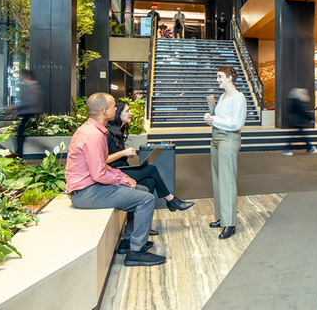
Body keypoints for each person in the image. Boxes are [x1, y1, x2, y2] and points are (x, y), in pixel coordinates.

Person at [66, 92, 165, 266]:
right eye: (113, 107)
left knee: (142, 190)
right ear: (105, 111)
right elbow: (98, 174)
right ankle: (136, 252)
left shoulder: (91, 130)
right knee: (146, 199)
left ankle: (127, 242)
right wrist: (125, 181)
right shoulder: (94, 136)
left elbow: (102, 167)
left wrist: (122, 176)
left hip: (89, 188)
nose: (115, 109)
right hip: (85, 193)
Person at [105, 104, 193, 211]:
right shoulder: (108, 133)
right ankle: (171, 200)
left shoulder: (119, 131)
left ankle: (137, 225)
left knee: (149, 182)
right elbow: (103, 160)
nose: (130, 113)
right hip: (114, 172)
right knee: (151, 169)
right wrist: (123, 153)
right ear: (118, 114)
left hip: (122, 169)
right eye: (127, 111)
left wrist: (125, 154)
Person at [204, 65, 247, 240]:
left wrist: (215, 120)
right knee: (217, 178)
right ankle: (222, 217)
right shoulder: (222, 96)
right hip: (216, 138)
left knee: (227, 180)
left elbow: (236, 123)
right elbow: (221, 119)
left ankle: (230, 223)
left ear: (230, 78)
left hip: (228, 139)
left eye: (220, 76)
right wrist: (211, 120)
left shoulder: (239, 98)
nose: (217, 79)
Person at [14, 69, 42, 157]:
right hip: (28, 113)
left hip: (29, 114)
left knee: (20, 134)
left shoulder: (32, 86)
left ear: (25, 76)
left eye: (21, 76)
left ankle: (19, 155)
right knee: (22, 135)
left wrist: (16, 107)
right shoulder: (30, 86)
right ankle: (19, 154)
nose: (20, 78)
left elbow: (31, 102)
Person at [282, 88, 317, 156]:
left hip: (296, 122)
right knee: (302, 135)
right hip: (298, 122)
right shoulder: (298, 102)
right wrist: (311, 118)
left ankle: (309, 148)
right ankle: (309, 148)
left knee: (300, 135)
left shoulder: (293, 101)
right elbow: (303, 111)